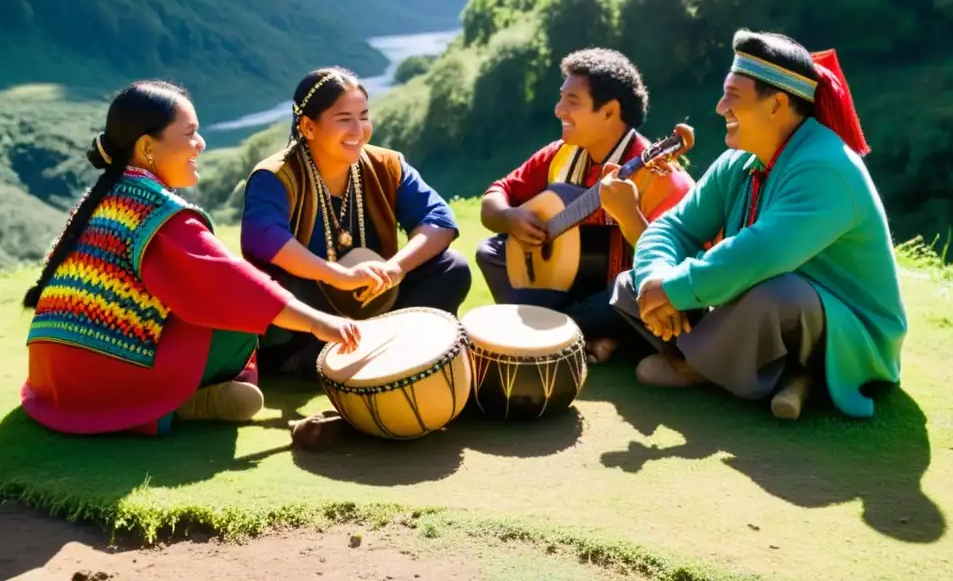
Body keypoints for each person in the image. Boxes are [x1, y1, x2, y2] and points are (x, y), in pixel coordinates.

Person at [21, 81, 360, 437]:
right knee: (241, 315)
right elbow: (230, 283)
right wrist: (320, 323)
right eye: (190, 134)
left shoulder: (103, 199)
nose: (201, 144)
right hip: (107, 383)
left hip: (52, 382)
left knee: (233, 303)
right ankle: (181, 401)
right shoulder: (158, 211)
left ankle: (192, 398)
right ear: (148, 146)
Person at [610, 29, 908, 421]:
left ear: (777, 104)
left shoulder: (826, 167)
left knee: (779, 293)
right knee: (632, 284)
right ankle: (778, 371)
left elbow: (761, 251)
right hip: (750, 310)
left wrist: (676, 289)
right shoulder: (740, 161)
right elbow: (673, 229)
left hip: (846, 331)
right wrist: (657, 278)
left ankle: (699, 366)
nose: (719, 108)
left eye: (732, 97)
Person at [240, 67, 472, 377]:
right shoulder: (274, 177)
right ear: (308, 126)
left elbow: (439, 219)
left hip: (375, 297)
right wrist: (337, 276)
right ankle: (321, 354)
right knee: (273, 288)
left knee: (451, 267)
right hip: (310, 309)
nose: (359, 129)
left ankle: (373, 344)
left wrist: (395, 268)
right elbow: (265, 238)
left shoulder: (387, 165)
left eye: (363, 116)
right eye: (344, 119)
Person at [475, 47, 696, 363]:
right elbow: (496, 195)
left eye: (572, 102)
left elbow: (677, 264)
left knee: (629, 289)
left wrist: (628, 214)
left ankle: (549, 335)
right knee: (492, 251)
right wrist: (508, 217)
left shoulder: (660, 176)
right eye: (561, 98)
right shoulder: (560, 154)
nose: (558, 110)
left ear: (608, 112)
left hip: (615, 294)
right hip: (565, 285)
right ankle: (586, 337)